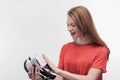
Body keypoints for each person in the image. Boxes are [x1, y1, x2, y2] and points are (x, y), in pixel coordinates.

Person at [28, 5, 110, 80]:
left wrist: (57, 70)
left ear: (84, 24)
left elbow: (90, 78)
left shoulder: (101, 50)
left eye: (73, 25)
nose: (69, 29)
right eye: (68, 25)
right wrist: (39, 79)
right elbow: (60, 78)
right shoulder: (66, 48)